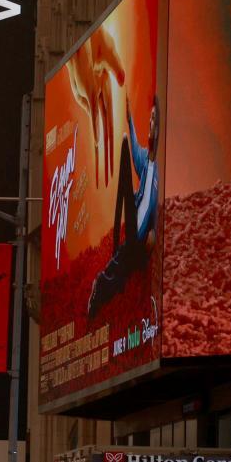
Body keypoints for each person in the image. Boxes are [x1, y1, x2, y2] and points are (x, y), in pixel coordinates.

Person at [88, 98, 161, 319]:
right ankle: (99, 292)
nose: (150, 124)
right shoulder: (146, 165)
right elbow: (134, 149)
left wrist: (154, 231)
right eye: (150, 119)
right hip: (131, 231)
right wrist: (129, 117)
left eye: (154, 120)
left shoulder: (160, 171)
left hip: (142, 238)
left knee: (127, 266)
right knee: (118, 268)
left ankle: (104, 290)